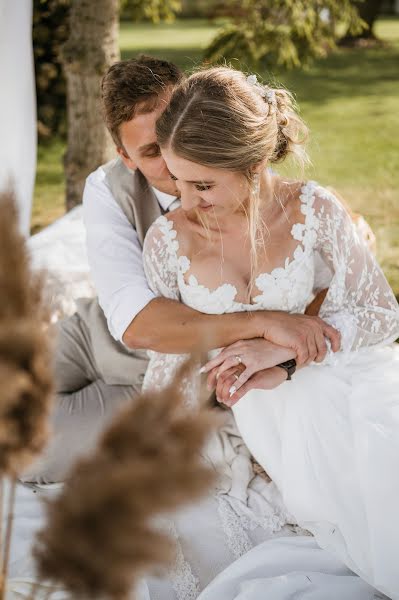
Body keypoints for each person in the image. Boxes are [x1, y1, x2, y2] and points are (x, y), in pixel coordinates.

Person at [140, 66, 399, 599]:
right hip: (264, 410)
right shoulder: (168, 241)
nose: (187, 202)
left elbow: (381, 314)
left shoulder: (315, 208)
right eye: (176, 181)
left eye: (203, 184)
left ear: (254, 165)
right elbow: (170, 358)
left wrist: (282, 353)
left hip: (337, 381)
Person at [21, 56, 340, 484]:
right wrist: (266, 322)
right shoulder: (107, 187)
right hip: (92, 336)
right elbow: (134, 323)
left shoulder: (241, 178)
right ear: (125, 157)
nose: (175, 160)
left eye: (174, 132)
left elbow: (322, 281)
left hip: (158, 381)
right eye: (152, 151)